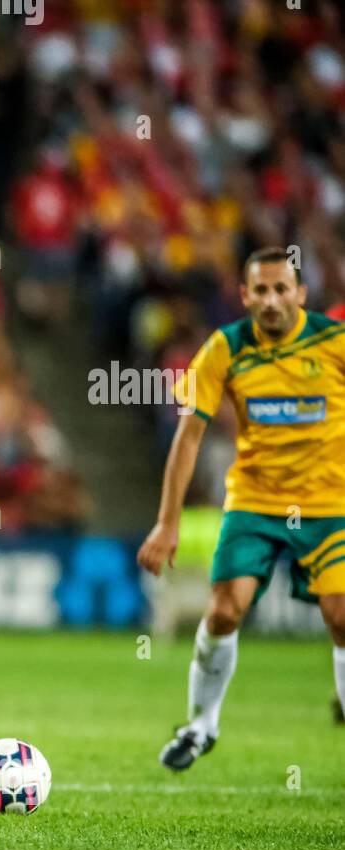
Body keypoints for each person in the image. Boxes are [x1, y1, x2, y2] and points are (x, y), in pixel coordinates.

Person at [138, 247, 345, 769]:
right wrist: (167, 523)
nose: (271, 300)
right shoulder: (225, 348)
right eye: (261, 290)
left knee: (341, 613)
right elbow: (187, 438)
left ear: (301, 293)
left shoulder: (335, 344)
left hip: (330, 503)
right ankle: (200, 727)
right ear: (245, 296)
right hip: (254, 500)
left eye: (282, 289)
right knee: (225, 609)